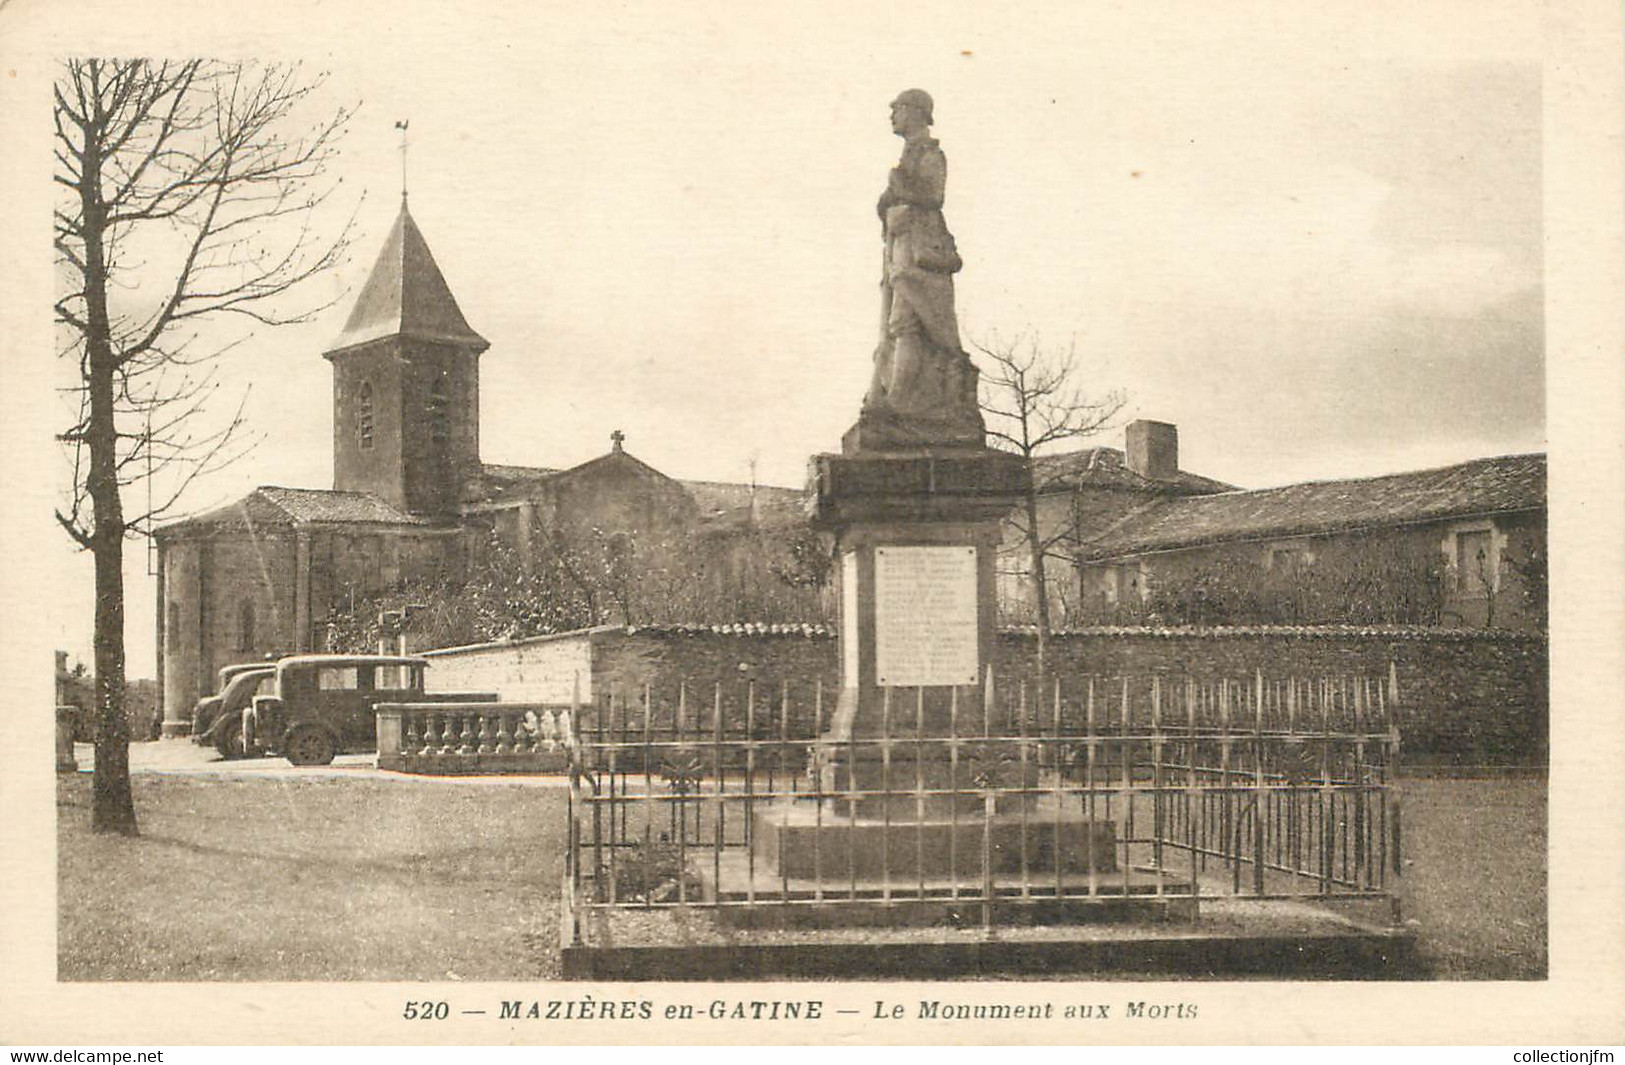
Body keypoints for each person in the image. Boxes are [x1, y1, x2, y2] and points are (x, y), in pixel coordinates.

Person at [859, 89, 982, 447]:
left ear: (917, 112)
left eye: (897, 109)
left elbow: (933, 196)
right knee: (902, 326)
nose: (892, 115)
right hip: (903, 251)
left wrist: (898, 188)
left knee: (917, 324)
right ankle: (898, 400)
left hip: (923, 254)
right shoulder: (910, 154)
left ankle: (902, 402)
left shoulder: (930, 154)